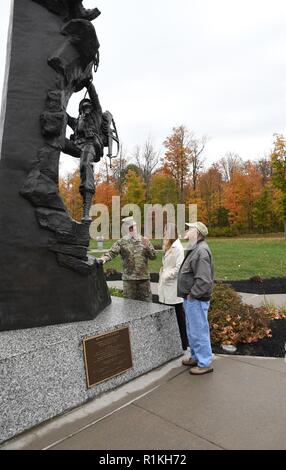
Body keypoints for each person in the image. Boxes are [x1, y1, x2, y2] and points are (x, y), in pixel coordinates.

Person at [64, 81, 113, 223]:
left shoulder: (96, 115)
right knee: (58, 142)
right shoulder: (77, 121)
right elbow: (65, 117)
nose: (86, 108)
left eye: (88, 106)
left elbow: (94, 96)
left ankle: (86, 211)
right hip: (77, 145)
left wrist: (88, 84)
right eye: (84, 107)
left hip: (91, 145)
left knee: (85, 164)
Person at [177, 222, 215, 375]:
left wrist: (193, 295)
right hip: (191, 298)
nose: (186, 230)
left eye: (190, 228)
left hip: (196, 299)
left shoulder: (202, 251)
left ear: (197, 233)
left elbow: (204, 280)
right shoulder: (195, 248)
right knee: (192, 330)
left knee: (199, 331)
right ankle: (195, 356)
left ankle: (205, 363)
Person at [98, 217, 156, 302]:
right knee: (129, 306)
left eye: (133, 226)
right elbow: (111, 253)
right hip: (129, 280)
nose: (132, 229)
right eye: (130, 227)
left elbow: (153, 257)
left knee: (147, 304)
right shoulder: (121, 242)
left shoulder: (144, 241)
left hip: (144, 279)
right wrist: (103, 259)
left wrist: (148, 247)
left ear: (136, 227)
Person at [158, 223, 188, 352]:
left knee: (178, 316)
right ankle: (172, 343)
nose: (164, 233)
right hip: (166, 287)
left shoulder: (178, 248)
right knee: (171, 316)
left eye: (165, 231)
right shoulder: (169, 246)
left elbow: (179, 268)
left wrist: (166, 275)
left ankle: (183, 343)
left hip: (172, 286)